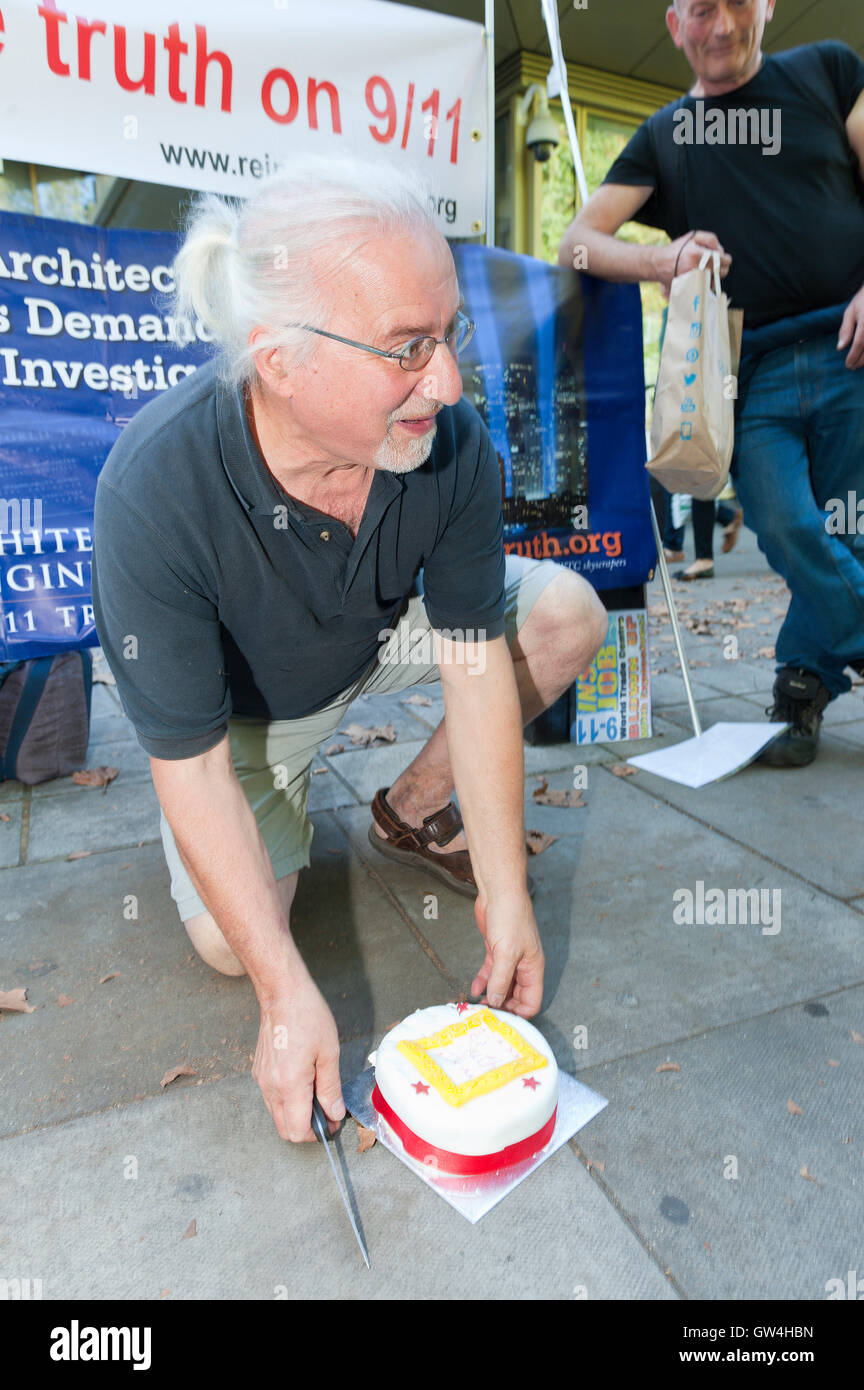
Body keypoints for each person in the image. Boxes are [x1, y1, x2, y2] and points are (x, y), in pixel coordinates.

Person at [92, 156, 607, 1144]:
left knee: (562, 613)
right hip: (246, 723)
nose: (448, 382)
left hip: (372, 641)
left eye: (449, 334)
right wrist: (286, 995)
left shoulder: (445, 443)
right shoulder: (152, 491)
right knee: (235, 946)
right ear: (278, 359)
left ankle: (408, 811)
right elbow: (191, 766)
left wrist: (506, 895)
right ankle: (282, 828)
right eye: (407, 347)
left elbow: (470, 660)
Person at [559, 0, 864, 765]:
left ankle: (802, 685)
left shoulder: (827, 70)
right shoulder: (664, 134)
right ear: (674, 23)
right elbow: (579, 244)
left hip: (850, 349)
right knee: (788, 522)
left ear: (764, 6)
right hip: (743, 371)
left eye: (737, 4)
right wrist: (663, 259)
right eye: (702, 9)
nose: (721, 26)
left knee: (846, 530)